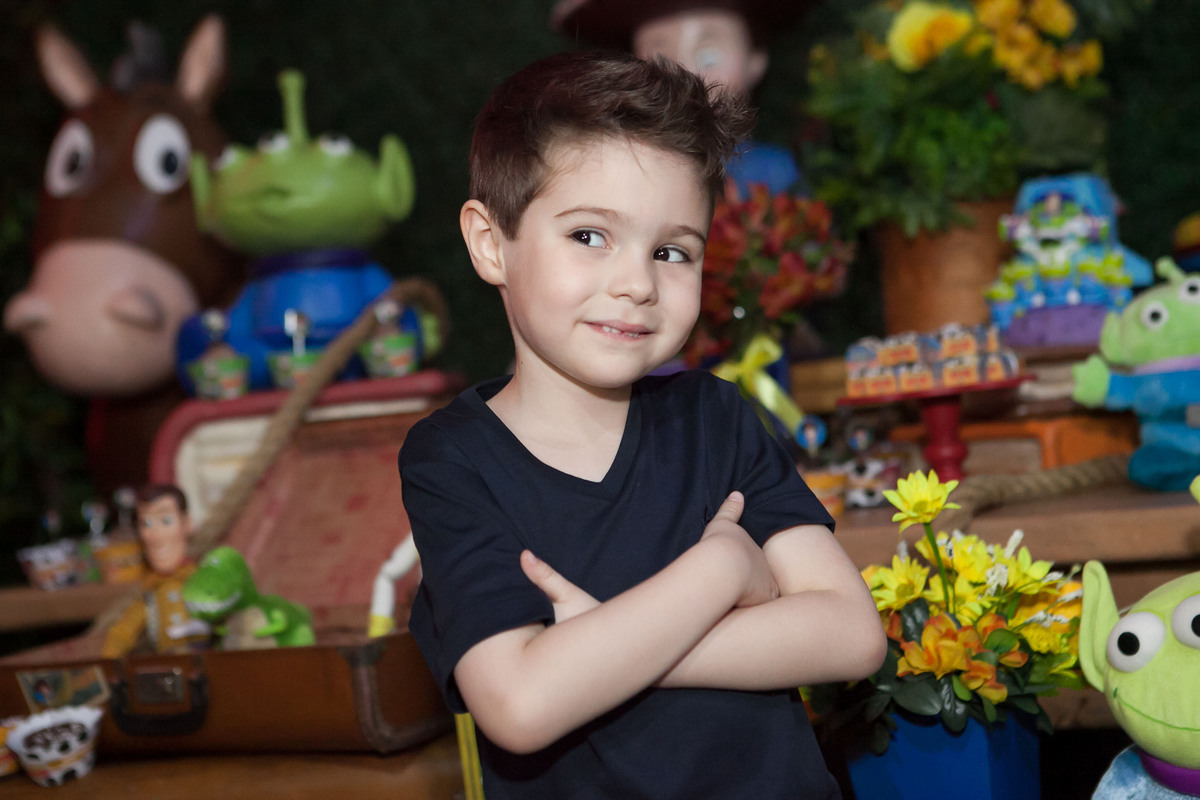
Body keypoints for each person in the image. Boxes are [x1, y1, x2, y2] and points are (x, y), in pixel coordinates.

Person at [399, 50, 885, 798]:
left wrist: (595, 646)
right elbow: (522, 704)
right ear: (492, 242)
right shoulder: (452, 461)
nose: (636, 284)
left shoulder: (716, 419)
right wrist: (719, 572)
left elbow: (851, 636)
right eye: (589, 235)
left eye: (671, 251)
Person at [550, 0, 808, 197]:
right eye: (663, 62)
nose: (687, 74)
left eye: (709, 57)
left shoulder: (776, 171)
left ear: (756, 60)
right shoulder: (619, 167)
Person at [101, 484, 211, 657]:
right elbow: (122, 633)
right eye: (146, 523)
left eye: (166, 521)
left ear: (187, 523)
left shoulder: (204, 578)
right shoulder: (151, 593)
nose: (154, 535)